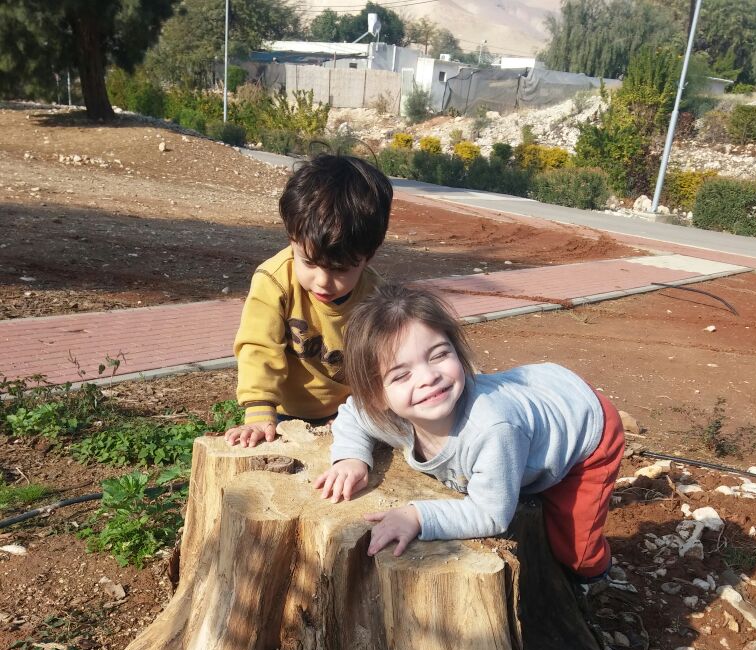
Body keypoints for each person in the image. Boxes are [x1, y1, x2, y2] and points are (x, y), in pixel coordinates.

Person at [314, 282, 624, 580]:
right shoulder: (392, 417)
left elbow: (491, 514)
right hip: (534, 397)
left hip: (584, 425)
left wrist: (417, 516)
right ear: (377, 397)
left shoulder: (492, 428)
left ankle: (598, 581)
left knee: (576, 552)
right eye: (401, 375)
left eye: (439, 355)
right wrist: (351, 458)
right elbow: (352, 414)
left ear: (458, 353)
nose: (427, 378)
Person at [225, 154, 393, 448]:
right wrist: (259, 410)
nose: (323, 281)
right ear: (292, 239)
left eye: (340, 270)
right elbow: (258, 348)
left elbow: (380, 363)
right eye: (310, 263)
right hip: (282, 415)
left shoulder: (376, 296)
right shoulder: (274, 281)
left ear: (368, 256)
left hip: (347, 414)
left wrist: (361, 411)